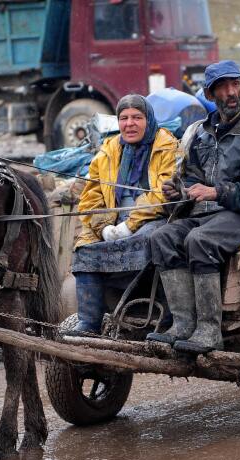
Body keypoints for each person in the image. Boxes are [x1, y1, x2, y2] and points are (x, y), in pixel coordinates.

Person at [146, 60, 240, 353]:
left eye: (235, 84)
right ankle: (183, 324)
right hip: (214, 212)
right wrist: (179, 191)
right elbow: (193, 180)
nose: (231, 92)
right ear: (210, 94)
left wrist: (214, 191)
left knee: (200, 241)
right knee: (161, 237)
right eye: (223, 87)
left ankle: (209, 331)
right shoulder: (202, 132)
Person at [68, 94, 178, 335]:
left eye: (137, 117)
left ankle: (167, 321)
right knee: (84, 247)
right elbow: (91, 196)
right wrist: (104, 226)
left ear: (148, 119)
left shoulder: (165, 145)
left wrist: (130, 225)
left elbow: (163, 193)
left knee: (153, 240)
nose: (130, 124)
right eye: (124, 118)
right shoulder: (109, 149)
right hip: (113, 220)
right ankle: (89, 323)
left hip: (154, 217)